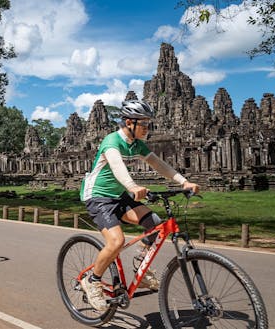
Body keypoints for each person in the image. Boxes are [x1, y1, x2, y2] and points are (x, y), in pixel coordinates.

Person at [79, 99, 200, 311]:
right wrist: (132, 186)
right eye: (143, 124)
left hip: (119, 195)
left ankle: (141, 264)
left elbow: (158, 164)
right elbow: (117, 166)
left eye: (148, 124)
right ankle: (92, 281)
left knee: (155, 225)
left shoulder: (137, 144)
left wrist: (183, 181)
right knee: (116, 241)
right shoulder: (112, 141)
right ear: (129, 122)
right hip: (98, 196)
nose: (147, 128)